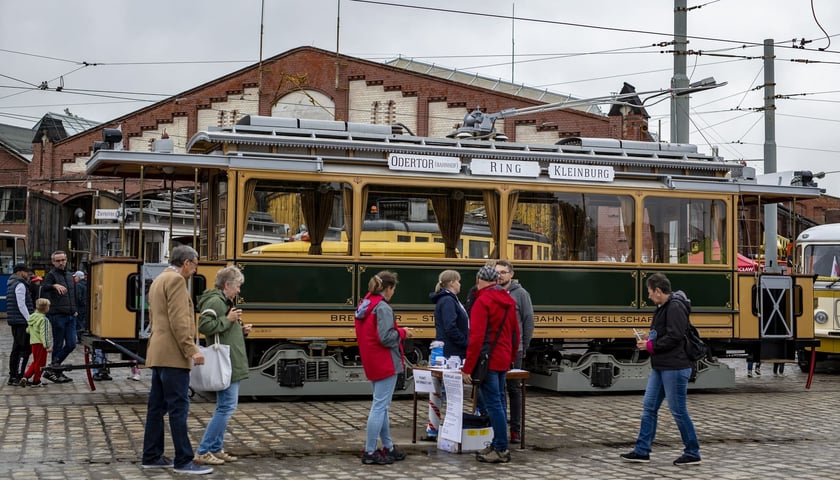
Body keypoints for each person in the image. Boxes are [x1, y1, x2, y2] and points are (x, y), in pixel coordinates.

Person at [140, 245, 212, 475]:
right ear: (187, 262)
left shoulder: (160, 279)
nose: (196, 268)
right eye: (196, 263)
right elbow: (179, 320)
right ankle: (184, 460)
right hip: (173, 354)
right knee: (178, 408)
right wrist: (192, 350)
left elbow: (154, 316)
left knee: (156, 408)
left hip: (158, 351)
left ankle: (151, 455)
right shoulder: (177, 281)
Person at [621, 272, 701, 466]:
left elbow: (675, 336)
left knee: (678, 410)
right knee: (649, 407)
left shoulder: (674, 307)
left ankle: (692, 451)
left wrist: (650, 346)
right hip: (661, 365)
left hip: (675, 366)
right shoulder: (664, 306)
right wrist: (649, 342)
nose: (648, 296)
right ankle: (642, 450)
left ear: (658, 290)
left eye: (649, 292)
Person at [193, 266, 252, 466]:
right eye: (237, 286)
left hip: (230, 360)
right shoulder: (216, 302)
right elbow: (204, 326)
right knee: (226, 408)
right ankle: (203, 450)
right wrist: (228, 320)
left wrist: (240, 330)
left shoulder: (222, 301)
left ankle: (215, 449)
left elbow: (221, 329)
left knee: (224, 406)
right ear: (227, 285)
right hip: (226, 362)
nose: (239, 291)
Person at [461, 265, 519, 464]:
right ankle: (497, 443)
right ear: (496, 280)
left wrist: (468, 368)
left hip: (488, 361)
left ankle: (501, 448)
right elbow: (515, 333)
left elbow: (476, 338)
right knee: (500, 402)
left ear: (479, 279)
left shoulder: (482, 301)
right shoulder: (508, 300)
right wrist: (511, 356)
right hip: (503, 358)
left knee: (494, 404)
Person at [355, 271, 413, 466]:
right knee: (379, 407)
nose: (393, 292)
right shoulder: (382, 307)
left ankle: (388, 446)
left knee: (381, 406)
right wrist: (403, 332)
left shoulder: (365, 304)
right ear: (388, 289)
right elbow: (386, 337)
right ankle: (370, 450)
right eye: (393, 289)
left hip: (371, 359)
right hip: (385, 360)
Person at [425, 269, 470, 441]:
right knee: (443, 392)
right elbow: (451, 327)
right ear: (451, 282)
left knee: (441, 392)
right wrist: (465, 343)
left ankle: (434, 427)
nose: (460, 284)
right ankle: (436, 428)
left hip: (451, 350)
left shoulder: (450, 300)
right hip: (450, 352)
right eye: (458, 281)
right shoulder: (448, 301)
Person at [494, 259, 533, 444]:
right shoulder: (492, 292)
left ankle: (515, 429)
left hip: (514, 349)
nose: (499, 275)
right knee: (497, 389)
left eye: (503, 272)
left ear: (511, 274)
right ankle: (498, 428)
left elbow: (528, 320)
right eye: (497, 272)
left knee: (514, 389)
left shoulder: (521, 294)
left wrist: (524, 346)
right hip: (496, 349)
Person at [40, 251, 76, 383]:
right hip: (58, 315)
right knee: (59, 344)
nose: (61, 263)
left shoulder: (69, 274)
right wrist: (54, 285)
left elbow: (73, 294)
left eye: (63, 260)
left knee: (72, 344)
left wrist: (75, 310)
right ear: (53, 262)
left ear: (66, 260)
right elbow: (44, 288)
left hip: (71, 315)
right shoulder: (51, 275)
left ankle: (53, 368)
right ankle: (55, 370)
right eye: (58, 260)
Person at [6, 264, 33, 386]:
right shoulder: (20, 284)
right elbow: (21, 304)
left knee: (16, 349)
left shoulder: (11, 283)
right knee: (25, 349)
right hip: (22, 322)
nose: (28, 274)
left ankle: (13, 376)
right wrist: (29, 320)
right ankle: (19, 375)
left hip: (15, 321)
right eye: (26, 272)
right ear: (20, 272)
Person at [22, 298, 52, 387]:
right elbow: (44, 334)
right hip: (41, 344)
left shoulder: (32, 317)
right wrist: (47, 346)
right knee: (41, 363)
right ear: (46, 308)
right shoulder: (44, 320)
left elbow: (28, 330)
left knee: (35, 361)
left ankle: (26, 376)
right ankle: (36, 381)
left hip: (33, 343)